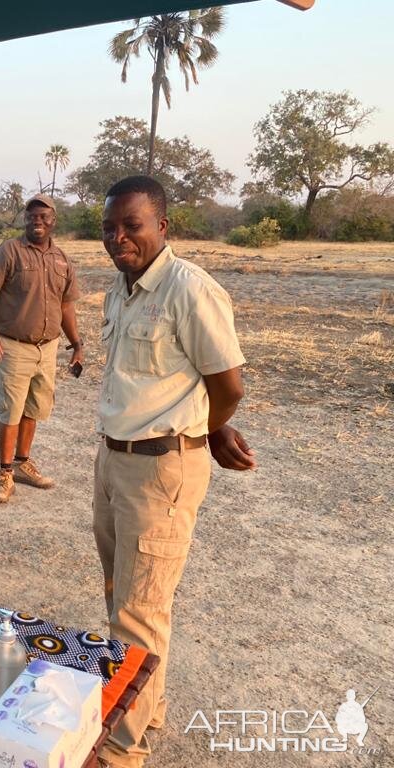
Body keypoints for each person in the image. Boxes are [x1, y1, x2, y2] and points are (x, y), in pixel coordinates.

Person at [93, 176, 256, 768]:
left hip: (162, 468)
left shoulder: (190, 289)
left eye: (131, 225)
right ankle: (145, 707)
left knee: (138, 611)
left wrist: (210, 430)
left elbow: (228, 383)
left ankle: (123, 748)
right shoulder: (121, 288)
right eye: (109, 226)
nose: (118, 238)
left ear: (163, 226)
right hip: (114, 461)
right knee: (127, 597)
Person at [0, 193, 83, 503]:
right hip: (13, 346)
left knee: (34, 407)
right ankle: (5, 473)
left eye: (44, 216)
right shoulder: (8, 252)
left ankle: (23, 463)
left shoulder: (61, 259)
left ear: (53, 221)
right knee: (10, 410)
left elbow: (66, 306)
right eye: (32, 216)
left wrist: (76, 344)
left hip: (47, 348)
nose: (37, 221)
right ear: (25, 219)